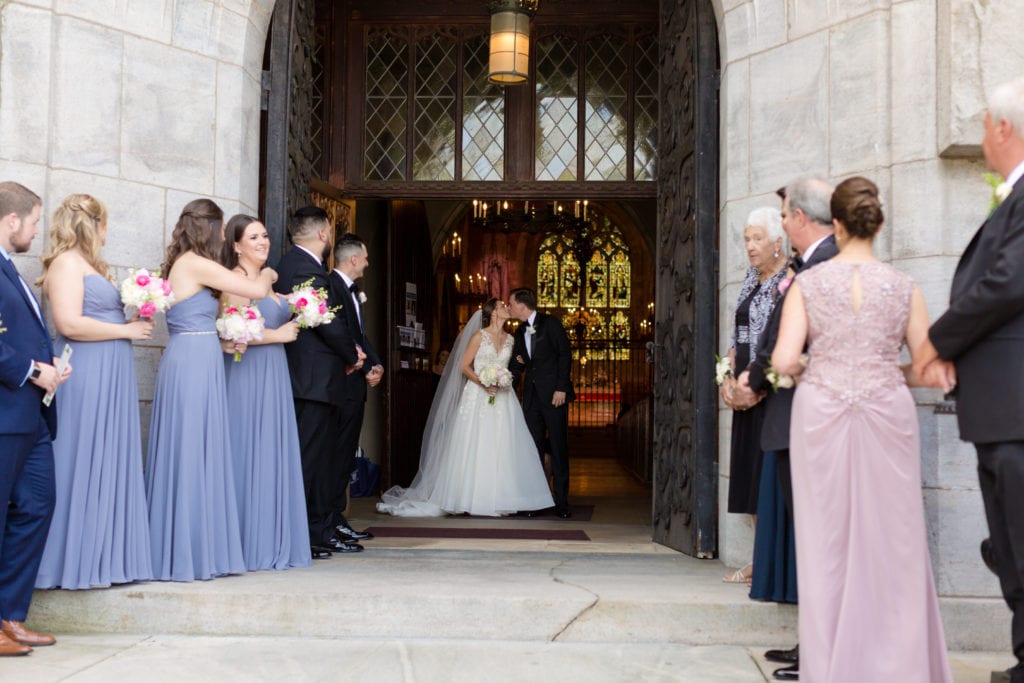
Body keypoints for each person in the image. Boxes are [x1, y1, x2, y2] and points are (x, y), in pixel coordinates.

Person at [772, 176, 953, 683]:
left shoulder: (808, 284)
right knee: (894, 540)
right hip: (886, 413)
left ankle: (832, 666)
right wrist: (883, 371)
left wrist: (821, 366)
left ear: (837, 223)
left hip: (822, 414)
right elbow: (925, 368)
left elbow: (785, 361)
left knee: (826, 541)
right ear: (876, 224)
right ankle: (896, 665)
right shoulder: (904, 286)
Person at [916, 77, 1024, 683]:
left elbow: (1008, 281)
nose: (982, 137)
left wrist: (939, 341)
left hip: (1016, 406)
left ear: (1003, 128)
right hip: (1002, 407)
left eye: (985, 125)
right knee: (1009, 544)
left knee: (1020, 542)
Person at [733, 176, 838, 681]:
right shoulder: (807, 265)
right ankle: (811, 644)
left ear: (797, 218)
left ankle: (823, 650)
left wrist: (753, 383)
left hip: (808, 414)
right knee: (812, 539)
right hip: (791, 409)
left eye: (780, 217)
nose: (776, 226)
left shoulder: (821, 267)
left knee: (821, 540)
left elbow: (787, 346)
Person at [146, 199, 275, 582]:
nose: (223, 236)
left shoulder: (183, 263)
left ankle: (196, 545)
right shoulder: (195, 263)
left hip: (197, 353)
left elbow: (196, 321)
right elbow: (251, 288)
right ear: (211, 228)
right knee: (191, 447)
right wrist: (267, 277)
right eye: (221, 229)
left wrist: (223, 344)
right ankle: (189, 552)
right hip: (192, 363)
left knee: (198, 447)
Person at [34, 194, 154, 590]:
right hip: (85, 373)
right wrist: (126, 330)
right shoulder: (67, 263)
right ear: (95, 225)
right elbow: (69, 324)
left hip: (111, 374)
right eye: (105, 225)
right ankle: (70, 560)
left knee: (106, 458)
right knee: (81, 456)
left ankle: (103, 555)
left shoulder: (90, 266)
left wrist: (133, 314)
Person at [377, 298, 553, 517]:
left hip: (503, 398)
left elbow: (514, 364)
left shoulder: (510, 339)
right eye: (502, 306)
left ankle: (500, 497)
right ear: (493, 313)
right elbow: (463, 366)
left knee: (502, 444)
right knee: (475, 442)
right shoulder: (479, 336)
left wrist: (504, 379)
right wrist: (483, 382)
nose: (507, 308)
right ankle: (468, 497)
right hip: (478, 395)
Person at [0, 181, 69, 655]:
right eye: (34, 220)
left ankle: (9, 616)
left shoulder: (11, 269)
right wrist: (31, 370)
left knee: (37, 506)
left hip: (32, 418)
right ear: (11, 221)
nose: (36, 229)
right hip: (6, 413)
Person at [219, 215, 310, 572]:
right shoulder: (235, 282)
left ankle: (272, 537)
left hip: (274, 373)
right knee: (248, 449)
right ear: (236, 245)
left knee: (271, 450)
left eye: (266, 235)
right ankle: (246, 542)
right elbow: (231, 335)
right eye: (253, 237)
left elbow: (270, 311)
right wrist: (279, 336)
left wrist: (303, 307)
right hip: (247, 374)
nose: (263, 241)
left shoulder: (264, 280)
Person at [274, 207, 366, 557]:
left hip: (314, 382)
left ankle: (317, 531)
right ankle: (306, 535)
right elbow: (325, 322)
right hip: (311, 382)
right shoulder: (304, 270)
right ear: (324, 234)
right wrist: (352, 355)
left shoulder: (291, 266)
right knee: (309, 463)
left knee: (318, 461)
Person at [719, 207, 787, 584]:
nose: (750, 246)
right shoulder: (750, 278)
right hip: (744, 390)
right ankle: (761, 559)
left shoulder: (788, 282)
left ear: (779, 241)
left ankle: (766, 563)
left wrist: (757, 389)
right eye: (747, 238)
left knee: (767, 480)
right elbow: (737, 334)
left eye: (758, 238)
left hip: (769, 394)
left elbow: (781, 341)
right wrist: (728, 378)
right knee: (748, 480)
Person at [327, 233, 382, 538]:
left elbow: (360, 335)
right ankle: (330, 521)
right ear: (353, 260)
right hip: (340, 384)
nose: (368, 262)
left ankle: (337, 519)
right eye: (365, 257)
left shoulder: (353, 291)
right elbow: (335, 334)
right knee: (336, 456)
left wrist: (376, 364)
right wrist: (357, 361)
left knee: (346, 455)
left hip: (354, 386)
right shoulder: (331, 287)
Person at [508, 287, 575, 519]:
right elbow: (518, 365)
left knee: (557, 447)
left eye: (511, 304)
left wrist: (561, 388)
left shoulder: (551, 323)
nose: (509, 308)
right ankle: (534, 501)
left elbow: (565, 354)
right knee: (532, 449)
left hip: (554, 396)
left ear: (522, 306)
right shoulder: (519, 331)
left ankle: (562, 502)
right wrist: (504, 385)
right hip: (532, 399)